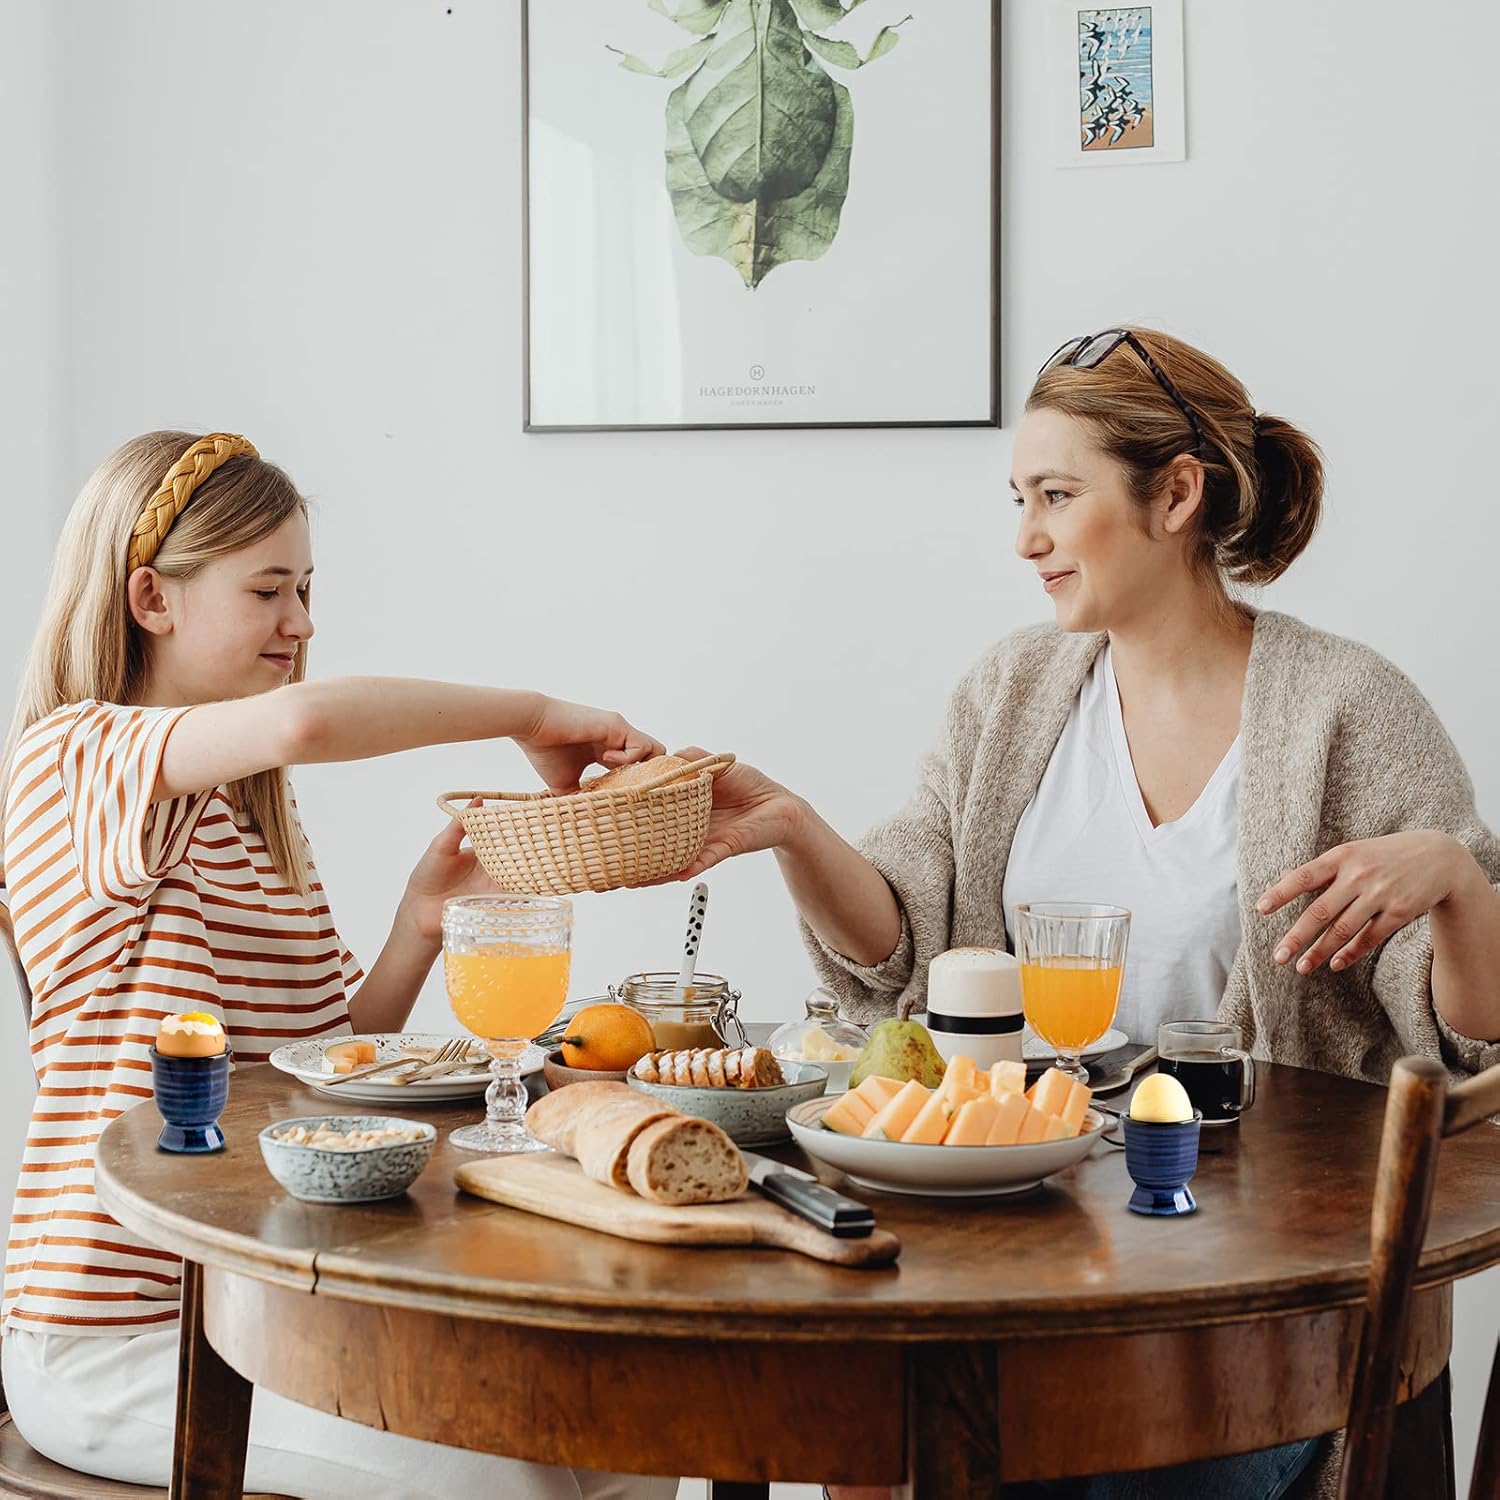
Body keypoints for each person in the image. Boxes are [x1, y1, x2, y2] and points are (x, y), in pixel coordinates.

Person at [670, 328, 1500, 1500]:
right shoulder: (1014, 691)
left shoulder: (1345, 710)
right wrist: (796, 830)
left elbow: (1467, 1043)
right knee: (846, 1419)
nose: (1026, 538)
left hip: (1257, 1311)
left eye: (1057, 496)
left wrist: (1461, 883)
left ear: (1175, 493)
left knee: (979, 1454)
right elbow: (903, 942)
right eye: (1020, 498)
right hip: (1030, 1265)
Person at [0, 430, 676, 1500]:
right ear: (151, 599)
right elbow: (309, 718)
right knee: (516, 1481)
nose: (302, 624)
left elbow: (321, 1061)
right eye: (269, 590)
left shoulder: (247, 815)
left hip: (265, 1302)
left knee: (628, 1437)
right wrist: (535, 717)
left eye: (306, 588)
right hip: (119, 1337)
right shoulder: (73, 762)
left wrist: (420, 920)